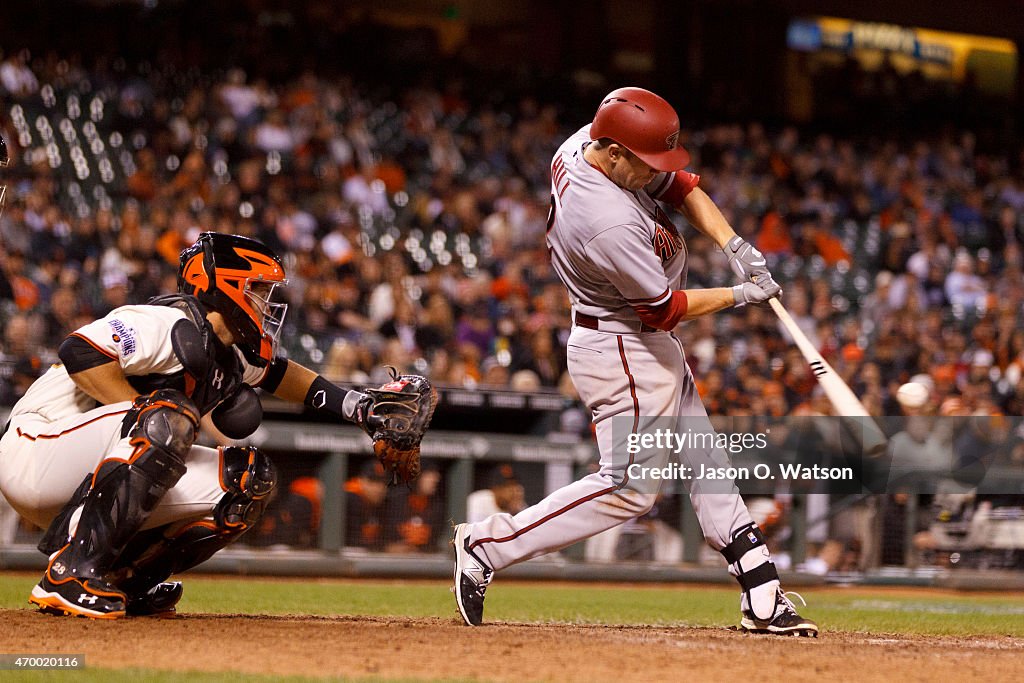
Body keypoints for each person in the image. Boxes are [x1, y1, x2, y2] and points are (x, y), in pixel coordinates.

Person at [452, 87, 818, 636]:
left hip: (637, 339)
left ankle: (761, 591)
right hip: (623, 343)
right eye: (645, 165)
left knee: (705, 460)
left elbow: (681, 185)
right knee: (629, 488)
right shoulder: (604, 219)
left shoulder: (593, 143)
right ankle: (486, 545)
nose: (656, 174)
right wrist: (741, 295)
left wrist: (732, 243)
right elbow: (665, 310)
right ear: (615, 153)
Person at [0, 232, 429, 619]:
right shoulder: (167, 322)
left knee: (247, 479)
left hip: (91, 471)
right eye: (259, 288)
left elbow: (281, 374)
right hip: (36, 449)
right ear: (225, 286)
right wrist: (143, 416)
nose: (268, 300)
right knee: (168, 416)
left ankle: (121, 579)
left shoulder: (228, 349)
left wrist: (358, 408)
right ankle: (70, 571)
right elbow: (79, 351)